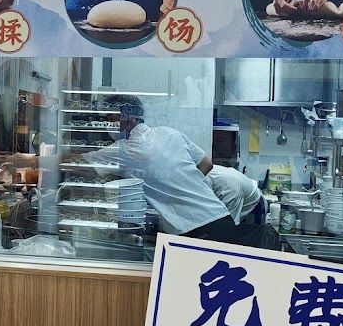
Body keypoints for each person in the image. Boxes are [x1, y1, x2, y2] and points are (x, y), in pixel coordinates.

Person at [94, 96, 240, 242]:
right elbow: (206, 164)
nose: (107, 121)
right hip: (221, 217)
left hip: (192, 230)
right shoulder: (170, 132)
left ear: (128, 116)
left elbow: (79, 163)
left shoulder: (125, 149)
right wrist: (183, 186)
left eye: (110, 116)